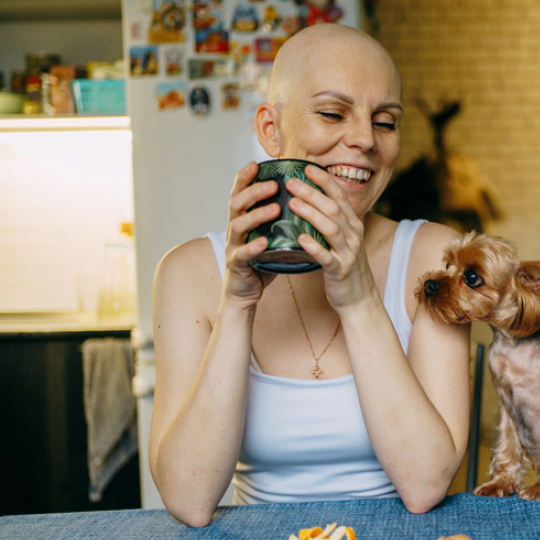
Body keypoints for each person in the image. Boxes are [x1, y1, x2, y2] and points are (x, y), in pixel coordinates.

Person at [149, 24, 471, 527]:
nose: (364, 139)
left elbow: (427, 485)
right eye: (331, 113)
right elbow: (189, 501)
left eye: (385, 122)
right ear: (270, 130)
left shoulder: (434, 258)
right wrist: (236, 304)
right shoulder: (188, 274)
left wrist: (360, 299)